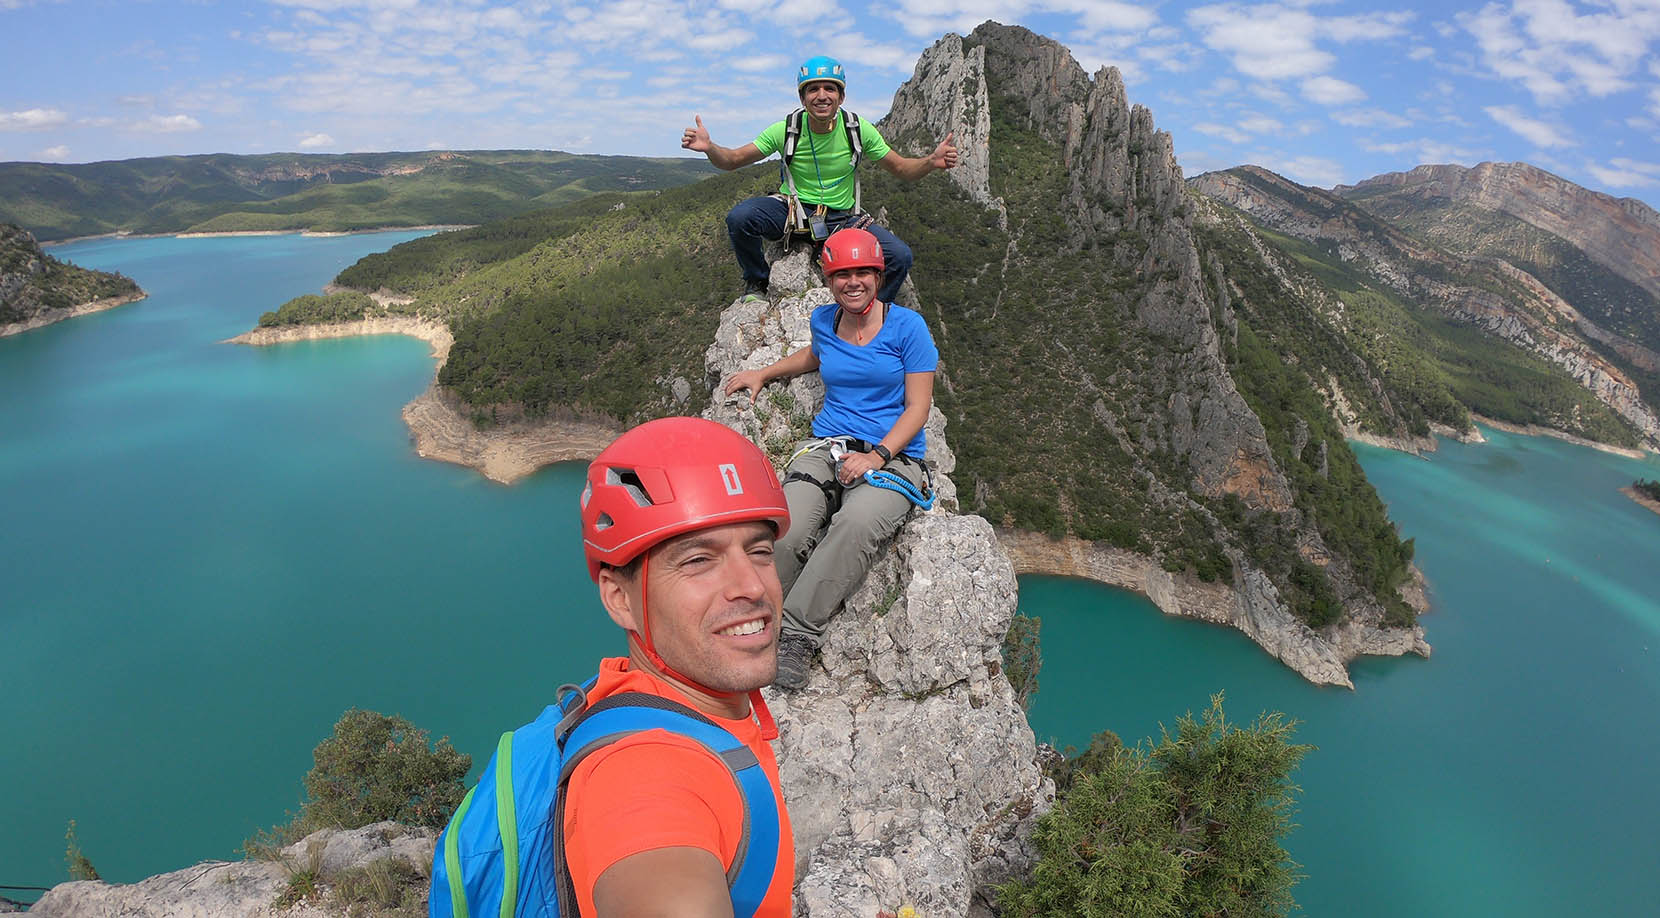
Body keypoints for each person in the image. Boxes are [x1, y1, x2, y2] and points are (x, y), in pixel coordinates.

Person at [569, 417, 796, 916]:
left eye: (759, 551)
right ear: (619, 598)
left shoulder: (673, 703)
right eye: (697, 560)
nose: (752, 586)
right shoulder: (642, 773)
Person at [722, 227, 938, 689]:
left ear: (879, 276)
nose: (853, 282)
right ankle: (760, 623)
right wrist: (763, 372)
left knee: (855, 526)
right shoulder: (825, 320)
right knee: (784, 527)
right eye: (843, 274)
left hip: (894, 455)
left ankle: (797, 635)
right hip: (830, 447)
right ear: (829, 277)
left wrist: (878, 456)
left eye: (863, 272)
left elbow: (918, 407)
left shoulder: (908, 328)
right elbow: (814, 356)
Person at [680, 54, 959, 305]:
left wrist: (930, 162)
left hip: (842, 218)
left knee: (899, 256)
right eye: (813, 89)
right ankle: (757, 281)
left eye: (830, 88)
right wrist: (710, 148)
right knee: (740, 218)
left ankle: (875, 311)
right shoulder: (787, 130)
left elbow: (901, 169)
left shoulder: (858, 130)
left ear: (841, 96)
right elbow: (732, 160)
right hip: (792, 211)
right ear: (803, 99)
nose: (821, 95)